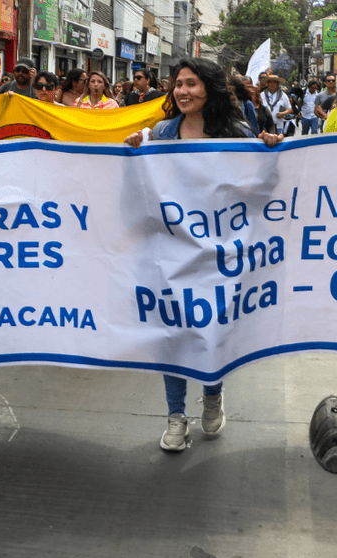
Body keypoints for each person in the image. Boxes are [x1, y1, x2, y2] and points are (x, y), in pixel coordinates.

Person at [124, 57, 282, 451]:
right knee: (173, 332)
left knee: (212, 331)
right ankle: (176, 416)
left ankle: (212, 394)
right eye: (178, 84)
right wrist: (132, 156)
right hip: (171, 251)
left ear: (208, 89)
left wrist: (269, 154)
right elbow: (140, 189)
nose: (183, 91)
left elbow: (261, 189)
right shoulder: (160, 133)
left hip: (219, 254)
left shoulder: (236, 132)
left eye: (192, 84)